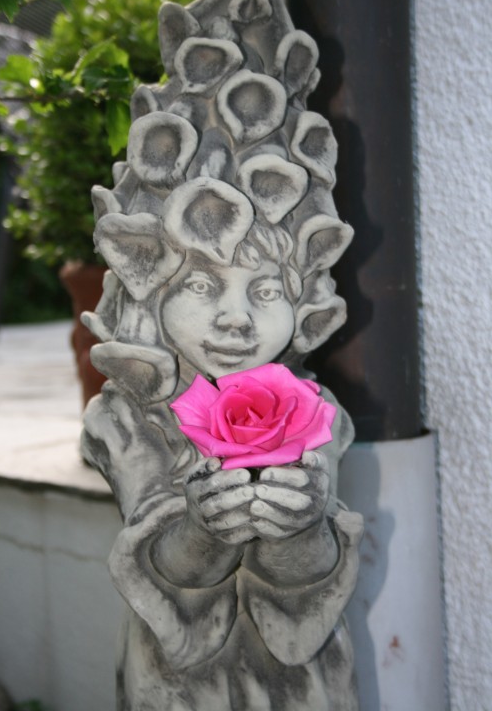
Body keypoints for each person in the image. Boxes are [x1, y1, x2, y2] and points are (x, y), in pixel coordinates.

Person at [82, 220, 363, 711]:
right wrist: (202, 531)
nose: (237, 317)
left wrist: (300, 528)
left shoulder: (315, 408)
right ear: (154, 294)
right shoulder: (126, 417)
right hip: (181, 683)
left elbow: (307, 581)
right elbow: (169, 570)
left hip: (302, 681)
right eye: (201, 286)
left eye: (267, 291)